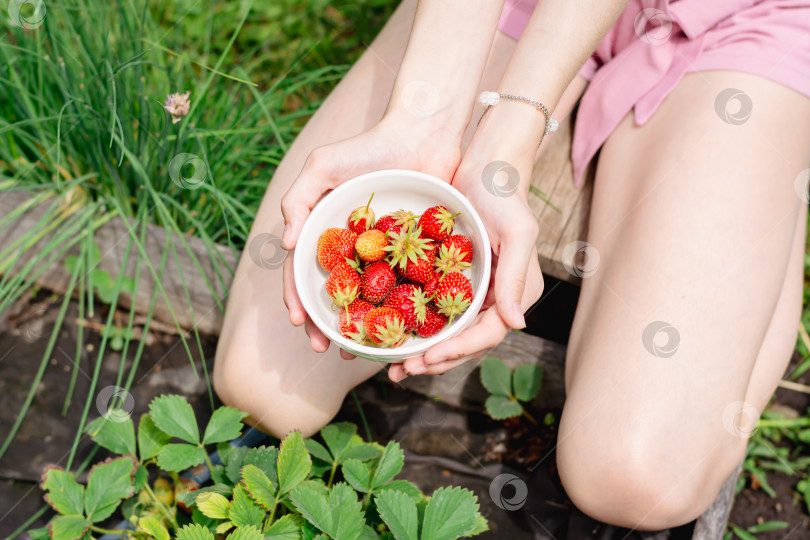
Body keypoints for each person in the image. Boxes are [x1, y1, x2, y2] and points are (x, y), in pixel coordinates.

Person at [214, 0, 810, 529]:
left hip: (739, 17)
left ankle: (778, 187)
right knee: (264, 388)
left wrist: (507, 143)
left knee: (638, 477)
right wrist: (424, 122)